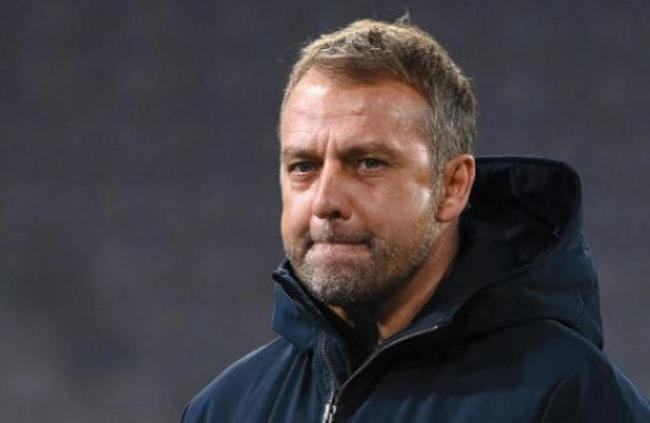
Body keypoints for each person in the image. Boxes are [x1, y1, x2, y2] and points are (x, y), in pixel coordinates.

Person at [182, 18, 650, 422]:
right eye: (303, 166)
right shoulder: (225, 409)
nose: (325, 201)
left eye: (368, 163)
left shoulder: (566, 395)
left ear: (452, 187)